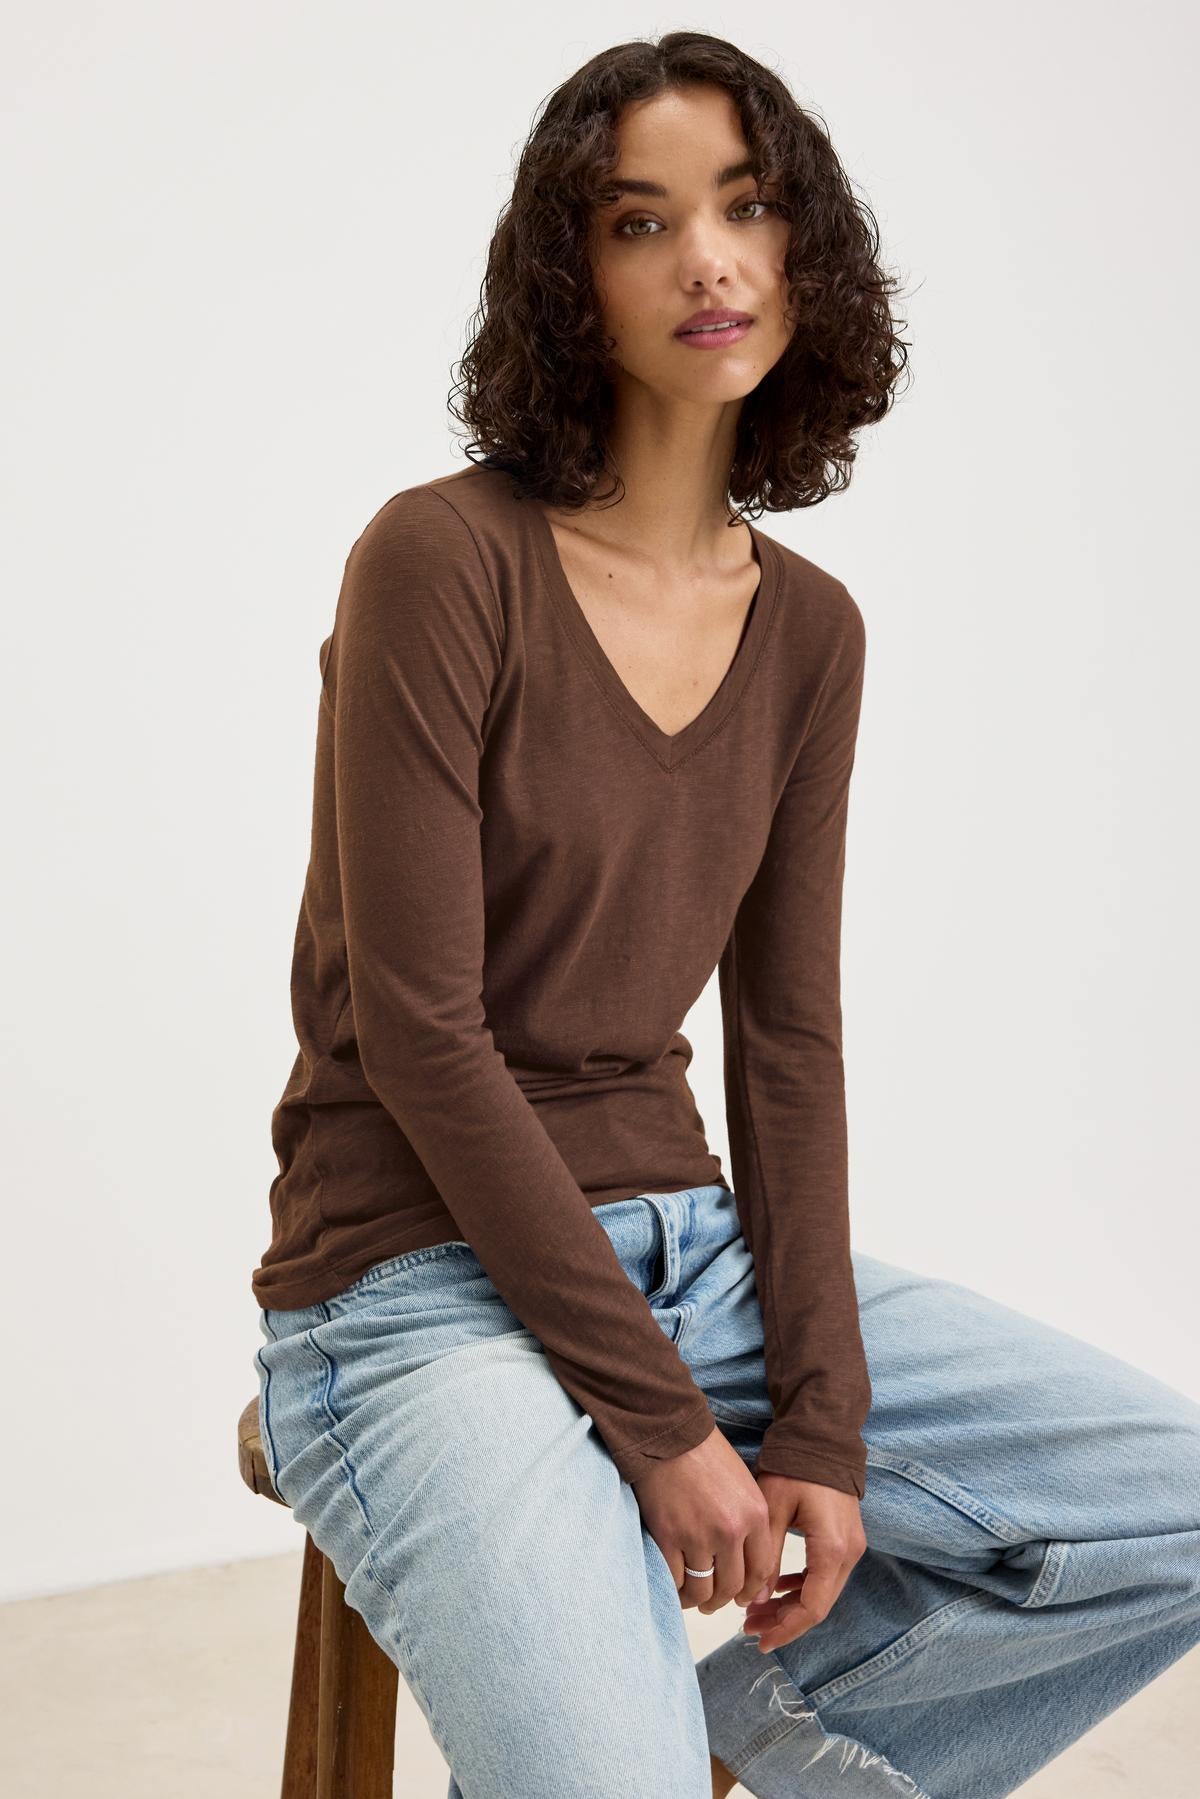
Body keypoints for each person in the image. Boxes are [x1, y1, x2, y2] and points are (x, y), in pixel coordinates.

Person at [251, 31, 1200, 1799]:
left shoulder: (813, 632)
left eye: (748, 208)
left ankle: (733, 1743)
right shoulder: (440, 561)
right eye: (639, 220)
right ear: (567, 277)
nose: (707, 260)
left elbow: (787, 1045)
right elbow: (424, 1031)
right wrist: (668, 1430)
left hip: (696, 1258)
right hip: (410, 1287)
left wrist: (817, 1424)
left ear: (801, 253)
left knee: (1176, 1507)